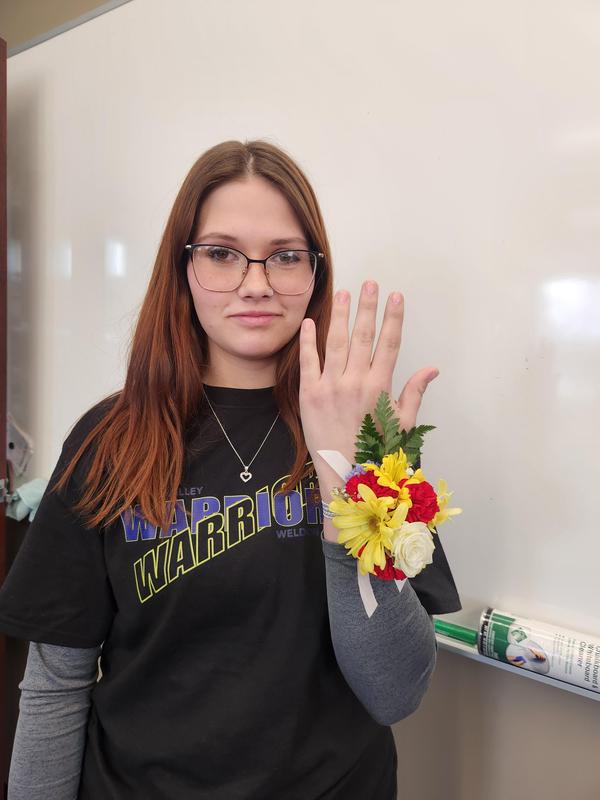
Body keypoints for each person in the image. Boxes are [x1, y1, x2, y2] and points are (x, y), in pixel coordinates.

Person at [0, 139, 461, 799]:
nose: (256, 282)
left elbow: (394, 689)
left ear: (314, 273)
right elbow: (55, 686)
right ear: (183, 268)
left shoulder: (372, 435)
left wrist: (344, 483)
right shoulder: (110, 440)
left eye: (285, 256)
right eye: (221, 253)